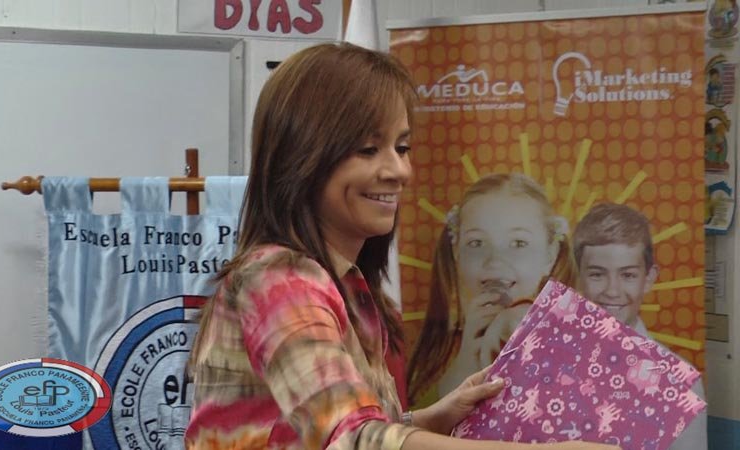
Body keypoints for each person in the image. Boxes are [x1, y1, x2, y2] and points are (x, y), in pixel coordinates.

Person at [185, 43, 618, 450]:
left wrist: (433, 417)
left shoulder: (346, 284)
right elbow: (355, 439)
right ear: (303, 157)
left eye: (402, 147)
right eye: (368, 149)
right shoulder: (282, 281)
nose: (399, 171)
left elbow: (333, 427)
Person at [407, 173, 575, 405]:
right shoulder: (438, 353)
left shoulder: (574, 341)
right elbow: (416, 424)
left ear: (550, 255)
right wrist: (466, 361)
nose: (495, 261)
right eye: (477, 243)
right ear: (457, 253)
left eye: (518, 243)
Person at [573, 202, 707, 450]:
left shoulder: (679, 384)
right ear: (578, 277)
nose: (612, 291)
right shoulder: (545, 363)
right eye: (597, 274)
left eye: (628, 275)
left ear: (648, 279)